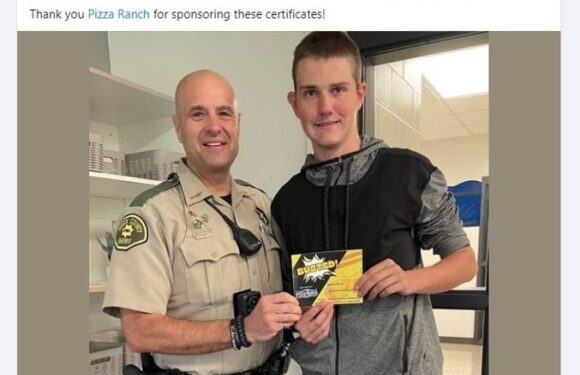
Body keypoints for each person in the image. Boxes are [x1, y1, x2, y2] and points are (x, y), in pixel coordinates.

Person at [271, 32, 478, 375]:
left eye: (338, 89)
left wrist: (410, 280)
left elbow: (464, 261)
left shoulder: (409, 173)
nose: (325, 108)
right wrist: (298, 323)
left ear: (359, 95)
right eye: (311, 93)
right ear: (294, 103)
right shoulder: (285, 202)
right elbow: (287, 294)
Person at [102, 70, 324, 375]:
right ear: (178, 128)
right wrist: (240, 330)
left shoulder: (261, 204)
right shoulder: (151, 214)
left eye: (224, 113)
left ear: (238, 123)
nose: (214, 127)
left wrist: (303, 315)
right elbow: (140, 331)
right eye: (198, 114)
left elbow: (285, 291)